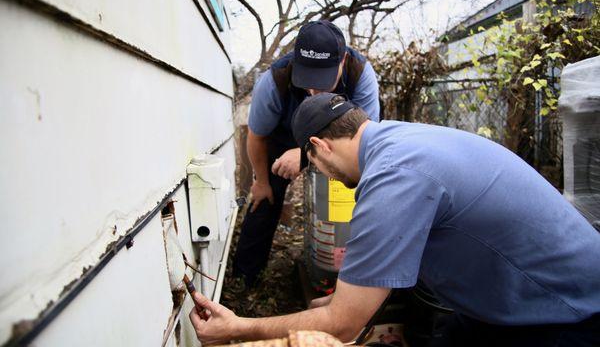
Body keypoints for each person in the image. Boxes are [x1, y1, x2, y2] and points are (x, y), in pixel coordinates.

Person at [190, 93, 600, 346]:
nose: (326, 177)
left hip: (568, 312)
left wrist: (237, 328)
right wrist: (339, 300)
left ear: (317, 147)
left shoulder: (393, 178)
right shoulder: (398, 139)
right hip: (518, 293)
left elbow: (343, 326)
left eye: (314, 166)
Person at [232, 20, 380, 287]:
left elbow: (364, 139)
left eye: (323, 83)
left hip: (341, 139)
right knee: (264, 198)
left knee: (349, 199)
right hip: (282, 135)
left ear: (342, 60)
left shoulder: (360, 74)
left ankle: (350, 275)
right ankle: (245, 278)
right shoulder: (274, 79)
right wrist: (262, 181)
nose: (314, 92)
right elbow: (257, 136)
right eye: (308, 82)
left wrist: (303, 155)